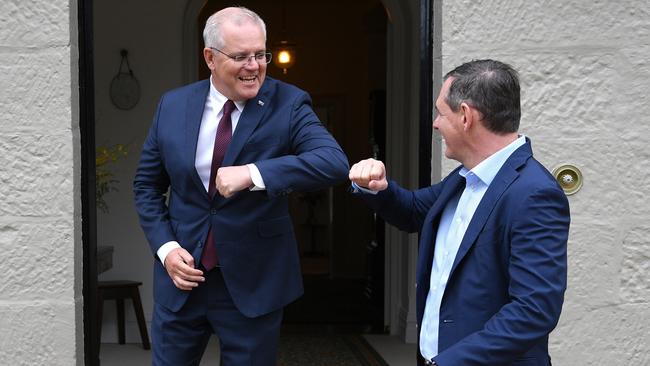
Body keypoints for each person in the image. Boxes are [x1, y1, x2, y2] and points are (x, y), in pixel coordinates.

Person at [133, 6, 349, 365]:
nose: (254, 66)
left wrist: (253, 173)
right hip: (181, 282)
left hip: (253, 284)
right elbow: (146, 186)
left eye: (260, 54)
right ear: (210, 58)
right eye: (240, 56)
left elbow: (333, 163)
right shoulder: (172, 105)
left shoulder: (289, 103)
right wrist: (167, 249)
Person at [349, 59, 570, 365]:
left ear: (466, 116)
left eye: (441, 112)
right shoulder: (464, 178)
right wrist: (377, 186)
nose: (436, 123)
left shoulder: (534, 193)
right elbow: (413, 211)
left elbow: (533, 310)